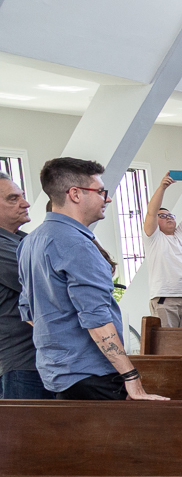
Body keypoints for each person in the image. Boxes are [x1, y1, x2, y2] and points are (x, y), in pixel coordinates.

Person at [19, 157, 165, 400]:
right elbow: (97, 320)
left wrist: (61, 341)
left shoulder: (30, 241)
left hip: (57, 373)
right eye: (100, 191)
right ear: (75, 194)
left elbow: (29, 311)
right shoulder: (76, 244)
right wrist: (131, 377)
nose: (107, 198)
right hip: (91, 374)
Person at [0, 172, 51, 398]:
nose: (26, 203)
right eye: (13, 198)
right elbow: (50, 282)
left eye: (22, 196)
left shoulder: (23, 240)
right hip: (21, 364)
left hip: (41, 360)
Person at [142, 173, 182, 328]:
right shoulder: (154, 238)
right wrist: (162, 187)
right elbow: (151, 212)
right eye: (162, 216)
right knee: (167, 341)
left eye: (171, 215)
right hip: (165, 298)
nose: (168, 217)